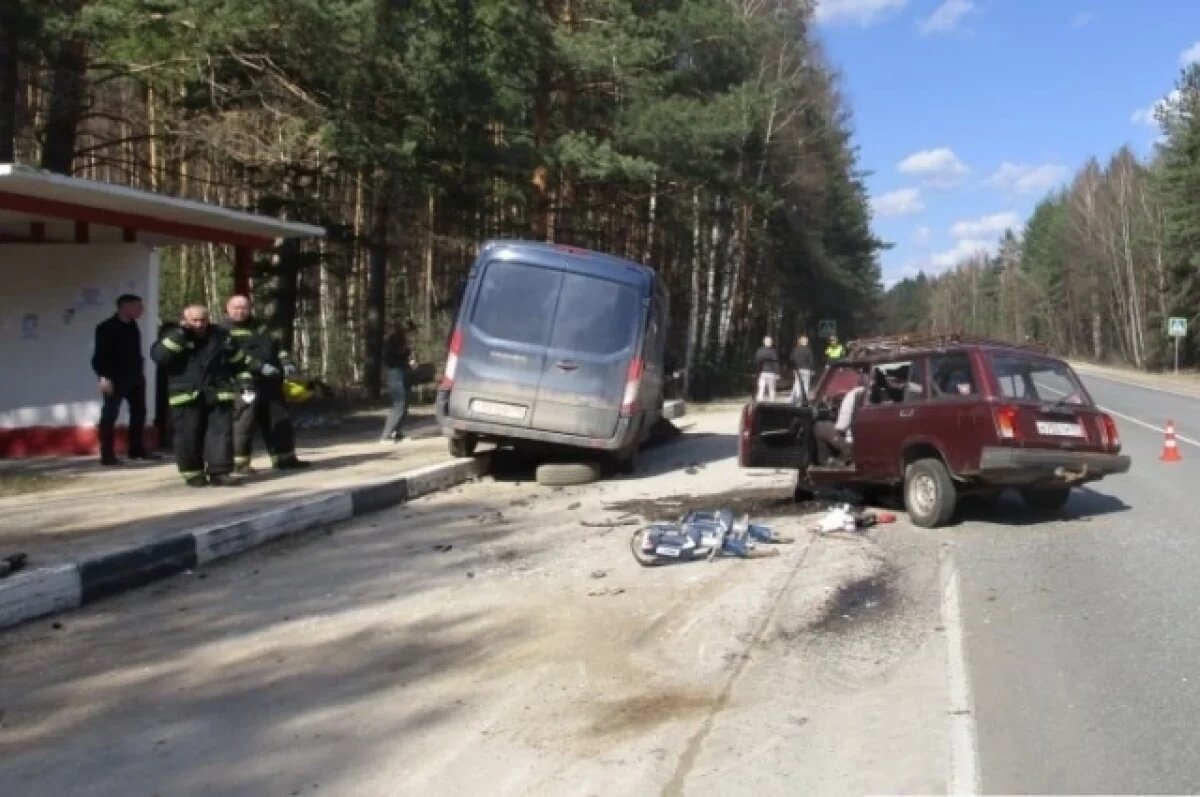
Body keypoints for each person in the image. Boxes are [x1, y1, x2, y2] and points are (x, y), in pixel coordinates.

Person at [151, 304, 261, 487]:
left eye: (203, 320)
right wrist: (179, 335)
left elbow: (239, 362)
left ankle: (219, 472)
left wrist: (245, 381)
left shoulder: (221, 336)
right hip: (186, 395)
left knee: (220, 435)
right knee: (188, 436)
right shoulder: (173, 336)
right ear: (185, 320)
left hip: (218, 392)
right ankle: (192, 473)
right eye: (194, 320)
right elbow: (160, 357)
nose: (199, 324)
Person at [223, 295, 309, 473]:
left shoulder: (262, 326)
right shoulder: (222, 331)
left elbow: (279, 347)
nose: (240, 311)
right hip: (244, 382)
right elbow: (230, 356)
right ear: (228, 309)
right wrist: (257, 366)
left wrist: (287, 363)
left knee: (279, 419)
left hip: (271, 382)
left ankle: (284, 458)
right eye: (236, 308)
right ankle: (240, 463)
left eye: (244, 308)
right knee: (244, 423)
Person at [92, 293, 158, 465]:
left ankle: (136, 449)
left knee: (139, 412)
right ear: (125, 307)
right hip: (114, 378)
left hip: (135, 377)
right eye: (138, 306)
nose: (141, 310)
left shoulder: (133, 326)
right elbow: (100, 357)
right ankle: (107, 454)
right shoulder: (106, 328)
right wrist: (104, 377)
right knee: (110, 414)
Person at [814, 371, 868, 465]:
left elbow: (841, 427)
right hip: (871, 443)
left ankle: (827, 460)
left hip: (852, 444)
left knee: (819, 427)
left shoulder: (853, 394)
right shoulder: (879, 393)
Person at [380, 319, 418, 442]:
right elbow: (390, 360)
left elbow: (404, 356)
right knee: (399, 403)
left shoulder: (404, 341)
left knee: (405, 402)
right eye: (408, 330)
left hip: (402, 372)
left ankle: (397, 432)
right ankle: (386, 435)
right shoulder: (393, 340)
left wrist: (409, 363)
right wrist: (404, 359)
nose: (409, 333)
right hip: (394, 374)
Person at [754, 336, 781, 401]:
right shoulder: (773, 351)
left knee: (761, 388)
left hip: (762, 372)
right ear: (770, 343)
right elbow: (775, 363)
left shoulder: (759, 351)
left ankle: (759, 401)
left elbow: (756, 362)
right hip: (771, 372)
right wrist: (777, 373)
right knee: (771, 388)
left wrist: (757, 372)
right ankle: (772, 401)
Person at [790, 334, 815, 404]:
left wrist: (793, 368)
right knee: (806, 384)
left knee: (797, 383)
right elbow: (811, 361)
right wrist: (812, 370)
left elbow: (791, 359)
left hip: (797, 370)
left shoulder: (795, 350)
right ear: (806, 342)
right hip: (806, 370)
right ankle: (804, 399)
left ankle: (797, 397)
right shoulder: (808, 351)